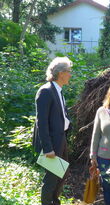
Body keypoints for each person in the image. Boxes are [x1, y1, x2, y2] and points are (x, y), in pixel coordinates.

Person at [32, 56, 72, 205]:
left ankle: (54, 201)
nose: (70, 74)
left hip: (60, 139)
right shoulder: (46, 91)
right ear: (61, 73)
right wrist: (48, 148)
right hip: (51, 142)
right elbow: (41, 123)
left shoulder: (58, 91)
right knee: (51, 177)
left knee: (63, 172)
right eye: (69, 71)